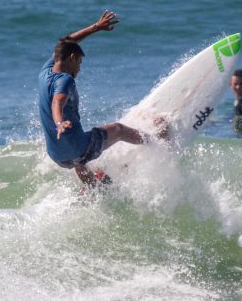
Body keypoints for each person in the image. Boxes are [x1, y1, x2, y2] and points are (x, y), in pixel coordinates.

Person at [37, 10, 161, 186]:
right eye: (79, 62)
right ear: (72, 58)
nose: (79, 69)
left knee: (79, 159)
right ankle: (155, 140)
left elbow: (66, 42)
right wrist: (59, 122)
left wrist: (96, 27)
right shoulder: (65, 79)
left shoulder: (46, 71)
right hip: (77, 148)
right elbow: (58, 101)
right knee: (118, 130)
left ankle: (93, 188)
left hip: (57, 155)